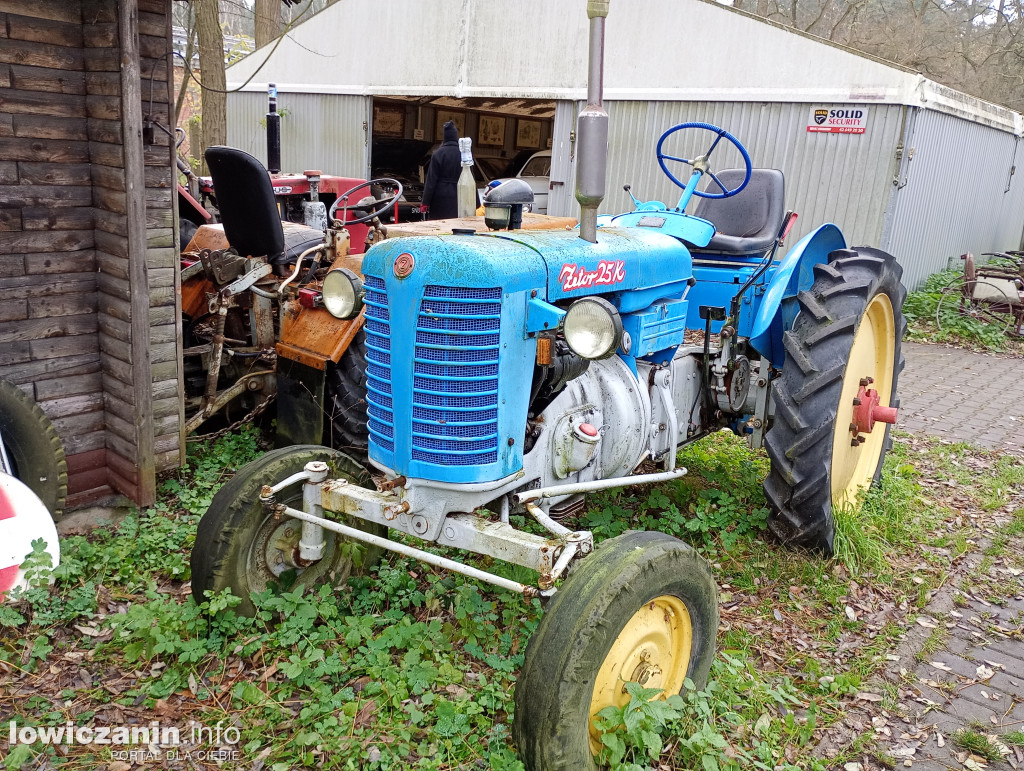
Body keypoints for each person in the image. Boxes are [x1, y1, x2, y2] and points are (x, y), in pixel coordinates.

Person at [420, 120, 461, 220]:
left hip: (440, 198)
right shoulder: (464, 154)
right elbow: (471, 178)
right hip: (459, 196)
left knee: (439, 226)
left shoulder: (438, 154)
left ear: (445, 137)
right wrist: (476, 202)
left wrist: (425, 203)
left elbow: (431, 181)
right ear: (456, 137)